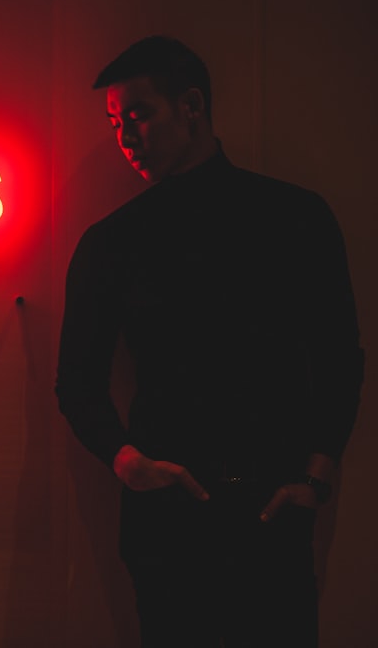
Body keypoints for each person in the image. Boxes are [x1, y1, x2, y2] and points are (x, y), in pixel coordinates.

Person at [54, 35, 365, 647]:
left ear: (191, 106)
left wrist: (316, 477)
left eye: (138, 115)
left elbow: (339, 355)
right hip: (167, 521)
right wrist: (127, 461)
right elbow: (77, 380)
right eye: (116, 122)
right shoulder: (112, 242)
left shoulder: (295, 218)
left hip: (271, 509)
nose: (125, 137)